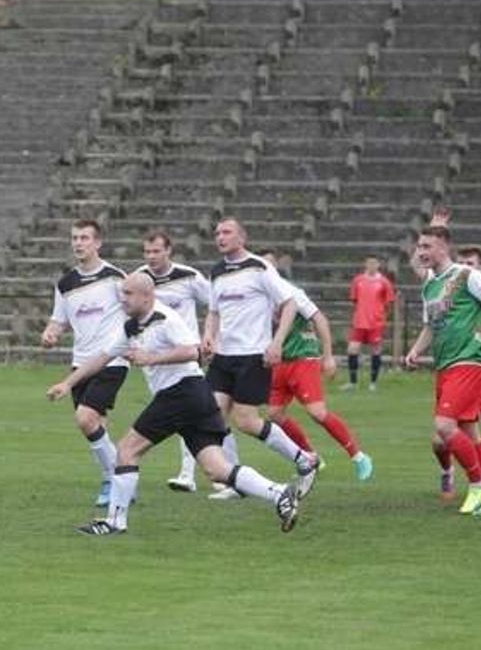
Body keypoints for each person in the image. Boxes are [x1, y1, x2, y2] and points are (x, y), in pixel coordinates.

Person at [46, 274, 301, 535]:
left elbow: (193, 351)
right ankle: (279, 493)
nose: (123, 299)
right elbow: (102, 357)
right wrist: (68, 383)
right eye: (122, 293)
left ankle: (114, 522)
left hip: (181, 392)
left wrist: (152, 358)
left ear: (147, 296)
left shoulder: (164, 317)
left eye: (129, 294)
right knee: (216, 469)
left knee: (126, 450)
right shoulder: (131, 327)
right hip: (195, 397)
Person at [203, 219, 320, 500]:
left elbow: (289, 303)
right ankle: (234, 479)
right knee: (212, 414)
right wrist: (208, 335)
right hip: (223, 356)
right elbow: (214, 311)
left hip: (252, 355)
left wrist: (276, 342)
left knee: (245, 420)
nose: (220, 237)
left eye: (227, 232)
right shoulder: (217, 271)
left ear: (242, 237)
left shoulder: (259, 266)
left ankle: (303, 459)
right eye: (217, 233)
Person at [406, 226, 481, 516]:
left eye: (427, 246)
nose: (421, 251)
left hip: (469, 361)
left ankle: (477, 485)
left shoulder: (467, 275)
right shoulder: (430, 286)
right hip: (445, 365)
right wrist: (416, 351)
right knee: (471, 433)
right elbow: (431, 326)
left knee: (445, 427)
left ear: (443, 247)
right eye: (419, 246)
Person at [257, 250, 374, 481]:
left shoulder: (291, 293)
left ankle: (358, 456)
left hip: (303, 359)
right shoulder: (260, 297)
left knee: (317, 413)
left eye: (269, 265)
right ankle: (311, 456)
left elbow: (320, 319)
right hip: (280, 363)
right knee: (274, 414)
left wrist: (328, 356)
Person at [40, 219, 128, 507]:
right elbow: (59, 319)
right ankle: (123, 480)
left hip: (111, 361)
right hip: (80, 363)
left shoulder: (116, 277)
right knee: (96, 425)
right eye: (75, 238)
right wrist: (50, 331)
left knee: (85, 419)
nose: (78, 243)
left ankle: (114, 479)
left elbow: (135, 310)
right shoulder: (66, 283)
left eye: (85, 238)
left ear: (98, 243)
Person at [134, 230, 219, 494]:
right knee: (185, 416)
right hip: (153, 362)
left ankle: (189, 474)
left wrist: (210, 337)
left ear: (168, 250)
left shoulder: (189, 277)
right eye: (147, 252)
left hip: (186, 356)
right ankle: (221, 470)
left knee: (185, 413)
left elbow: (216, 305)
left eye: (156, 251)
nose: (151, 257)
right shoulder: (139, 278)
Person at [345, 255, 396, 391]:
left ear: (378, 265)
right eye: (369, 263)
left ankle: (373, 383)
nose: (372, 265)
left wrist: (381, 317)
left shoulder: (384, 282)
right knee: (352, 349)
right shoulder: (358, 280)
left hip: (376, 323)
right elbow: (354, 300)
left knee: (376, 351)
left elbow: (389, 303)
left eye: (374, 263)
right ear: (365, 264)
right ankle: (352, 382)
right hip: (359, 322)